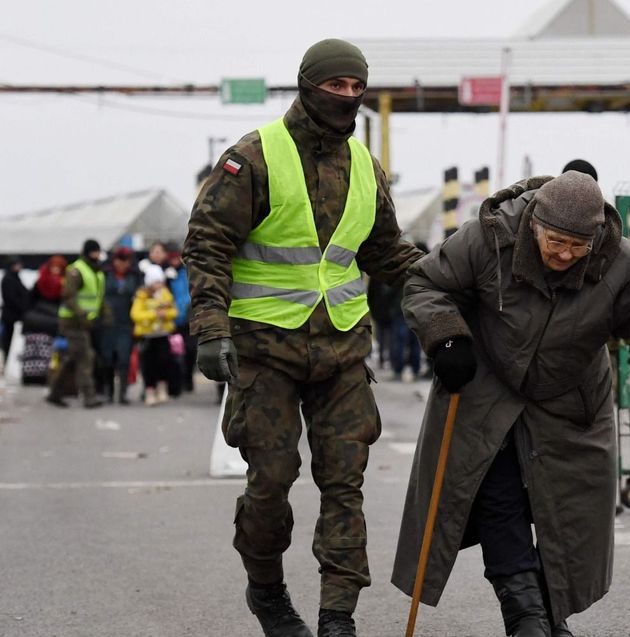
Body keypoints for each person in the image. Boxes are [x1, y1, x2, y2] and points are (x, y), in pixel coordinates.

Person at [183, 38, 423, 637]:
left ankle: (337, 615)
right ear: (306, 84)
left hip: (342, 351)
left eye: (354, 87)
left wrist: (455, 284)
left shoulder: (366, 168)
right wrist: (211, 329)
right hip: (264, 351)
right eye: (334, 85)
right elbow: (207, 243)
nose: (345, 96)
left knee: (346, 485)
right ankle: (266, 589)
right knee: (272, 482)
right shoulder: (253, 158)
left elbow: (387, 251)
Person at [392, 171, 630, 637]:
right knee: (499, 497)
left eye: (578, 246)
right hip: (487, 388)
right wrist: (447, 337)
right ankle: (526, 619)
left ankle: (553, 616)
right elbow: (424, 284)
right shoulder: (489, 237)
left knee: (567, 514)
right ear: (535, 224)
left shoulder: (618, 261)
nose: (565, 255)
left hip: (570, 399)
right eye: (556, 242)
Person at [46, 239, 105, 408]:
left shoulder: (96, 271)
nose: (97, 255)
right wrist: (82, 316)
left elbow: (96, 297)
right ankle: (89, 397)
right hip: (73, 321)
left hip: (84, 322)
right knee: (86, 357)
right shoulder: (77, 270)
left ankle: (55, 393)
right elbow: (69, 296)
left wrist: (104, 313)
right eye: (95, 251)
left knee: (74, 358)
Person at [98, 247, 142, 404]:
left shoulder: (135, 277)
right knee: (107, 359)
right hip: (107, 323)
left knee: (124, 359)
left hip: (126, 323)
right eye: (119, 260)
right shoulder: (105, 274)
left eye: (125, 261)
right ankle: (108, 391)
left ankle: (122, 393)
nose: (122, 264)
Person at [131, 265, 177, 406]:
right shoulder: (141, 296)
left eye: (160, 281)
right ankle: (149, 392)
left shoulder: (165, 294)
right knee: (148, 365)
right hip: (147, 336)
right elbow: (135, 314)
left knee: (163, 362)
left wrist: (165, 314)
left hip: (162, 334)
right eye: (156, 281)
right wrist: (154, 314)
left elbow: (174, 312)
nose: (159, 284)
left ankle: (162, 390)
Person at [20, 255, 66, 385]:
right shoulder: (41, 282)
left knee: (49, 352)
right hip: (37, 324)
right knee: (33, 351)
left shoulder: (64, 284)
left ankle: (46, 377)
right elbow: (30, 301)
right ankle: (30, 377)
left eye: (58, 268)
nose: (55, 270)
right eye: (54, 267)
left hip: (52, 324)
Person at [165, 242, 196, 393]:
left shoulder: (187, 272)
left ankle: (188, 379)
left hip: (188, 318)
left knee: (190, 351)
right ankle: (176, 384)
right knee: (174, 353)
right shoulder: (165, 274)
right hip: (172, 319)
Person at [1, 256, 31, 366]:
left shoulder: (15, 278)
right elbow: (11, 298)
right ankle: (8, 361)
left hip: (16, 315)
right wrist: (23, 307)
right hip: (11, 316)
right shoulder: (9, 279)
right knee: (8, 340)